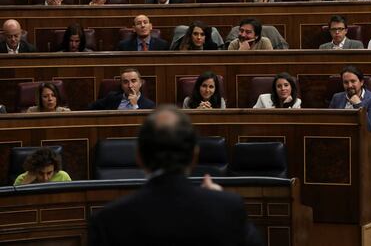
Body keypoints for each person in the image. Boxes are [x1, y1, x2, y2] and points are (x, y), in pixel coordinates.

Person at [88, 105, 263, 246]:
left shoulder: (109, 220)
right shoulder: (228, 207)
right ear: (194, 156)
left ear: (139, 157)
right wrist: (217, 202)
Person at [329, 65, 371, 131]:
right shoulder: (337, 97)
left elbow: (369, 127)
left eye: (353, 81)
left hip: (360, 137)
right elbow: (329, 122)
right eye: (346, 82)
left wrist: (358, 105)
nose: (349, 85)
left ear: (361, 82)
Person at [88, 67, 155, 110]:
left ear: (140, 83)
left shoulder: (149, 106)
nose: (130, 85)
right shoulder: (112, 97)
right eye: (125, 82)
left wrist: (135, 106)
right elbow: (90, 108)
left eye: (133, 81)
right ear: (121, 85)